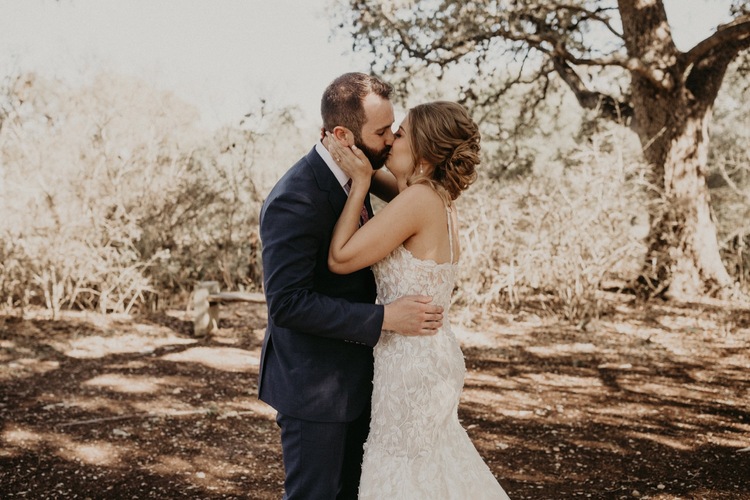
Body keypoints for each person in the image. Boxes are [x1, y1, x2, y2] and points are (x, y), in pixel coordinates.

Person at [257, 72, 444, 500]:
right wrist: (385, 318)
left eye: (395, 129)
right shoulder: (295, 197)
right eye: (382, 132)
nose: (390, 141)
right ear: (343, 135)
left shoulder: (361, 172)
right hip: (314, 388)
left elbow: (409, 196)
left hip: (361, 381)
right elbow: (286, 304)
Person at [325, 100, 511, 499]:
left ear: (425, 151)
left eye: (402, 133)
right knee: (431, 468)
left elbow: (340, 259)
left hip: (412, 362)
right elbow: (386, 179)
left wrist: (358, 183)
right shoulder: (436, 196)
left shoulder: (416, 202)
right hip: (430, 353)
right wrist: (356, 157)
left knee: (405, 471)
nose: (391, 140)